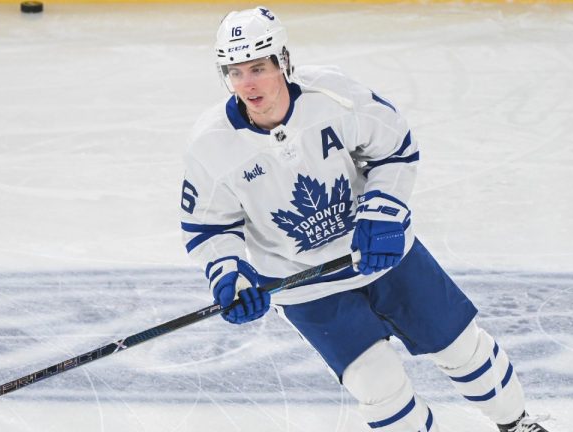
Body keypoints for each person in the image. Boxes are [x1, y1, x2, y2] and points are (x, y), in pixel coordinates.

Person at [179, 6, 549, 432]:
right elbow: (209, 226)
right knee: (379, 388)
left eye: (258, 67)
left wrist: (384, 211)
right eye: (235, 71)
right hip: (304, 285)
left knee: (462, 349)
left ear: (283, 61)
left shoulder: (335, 96)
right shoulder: (210, 145)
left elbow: (394, 147)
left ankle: (517, 424)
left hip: (384, 255)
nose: (247, 83)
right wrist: (230, 274)